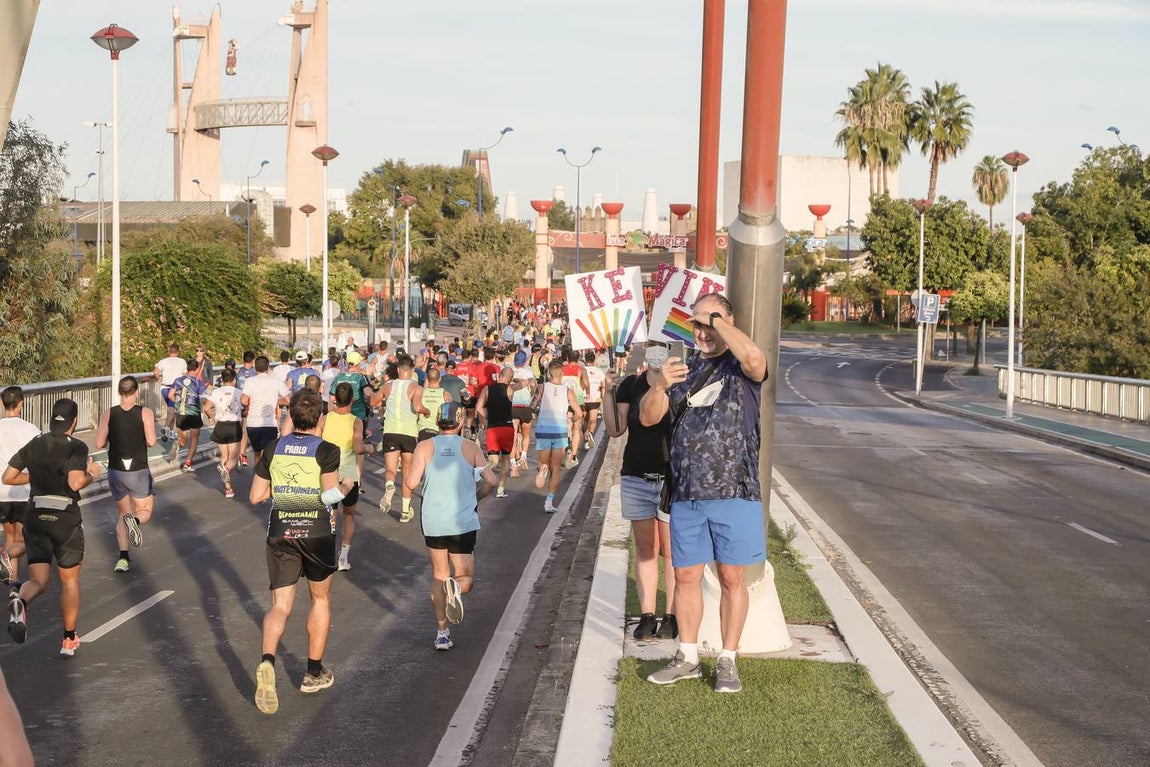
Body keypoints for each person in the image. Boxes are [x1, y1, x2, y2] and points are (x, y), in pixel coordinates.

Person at [641, 293, 768, 694]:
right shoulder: (682, 369)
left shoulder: (741, 368)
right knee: (685, 576)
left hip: (736, 489)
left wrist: (718, 322)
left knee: (732, 577)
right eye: (697, 323)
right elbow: (648, 417)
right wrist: (660, 385)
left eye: (712, 321)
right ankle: (688, 657)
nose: (704, 331)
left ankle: (728, 659)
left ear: (729, 322)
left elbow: (756, 358)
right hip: (687, 492)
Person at [250, 388, 351, 715]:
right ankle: (313, 673)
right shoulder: (326, 450)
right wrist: (346, 487)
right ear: (320, 417)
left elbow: (255, 496)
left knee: (280, 605)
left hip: (281, 531)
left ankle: (267, 661)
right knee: (320, 599)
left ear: (291, 416)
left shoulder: (273, 448)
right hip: (317, 532)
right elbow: (329, 496)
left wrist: (284, 492)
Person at [4, 399, 102, 655]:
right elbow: (76, 482)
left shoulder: (35, 443)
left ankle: (21, 600)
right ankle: (69, 639)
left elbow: (8, 477)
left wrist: (36, 476)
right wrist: (93, 472)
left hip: (35, 515)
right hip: (65, 519)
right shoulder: (77, 446)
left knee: (38, 580)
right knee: (69, 581)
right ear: (74, 422)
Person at [405, 401, 495, 651]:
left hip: (433, 520)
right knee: (465, 578)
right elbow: (490, 480)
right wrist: (476, 497)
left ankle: (442, 634)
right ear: (460, 422)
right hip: (462, 521)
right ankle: (456, 588)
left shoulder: (424, 446)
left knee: (439, 575)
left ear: (437, 422)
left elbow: (411, 483)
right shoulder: (470, 447)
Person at [602, 342, 677, 640]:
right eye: (651, 345)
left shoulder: (680, 384)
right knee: (646, 550)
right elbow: (615, 429)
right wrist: (607, 391)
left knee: (671, 552)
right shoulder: (631, 385)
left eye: (661, 346)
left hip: (671, 479)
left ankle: (671, 616)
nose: (656, 351)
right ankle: (647, 616)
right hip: (636, 476)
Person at [94, 376, 159, 573]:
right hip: (138, 470)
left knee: (123, 513)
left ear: (119, 392)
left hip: (116, 471)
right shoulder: (145, 412)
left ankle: (122, 559)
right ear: (136, 392)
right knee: (144, 510)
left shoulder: (109, 414)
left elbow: (99, 444)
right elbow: (151, 441)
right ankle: (136, 521)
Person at [322, 382, 374, 571]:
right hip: (349, 476)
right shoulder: (355, 421)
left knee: (330, 513)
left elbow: (317, 441)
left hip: (329, 473)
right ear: (353, 399)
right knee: (349, 514)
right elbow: (358, 448)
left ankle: (327, 554)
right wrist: (369, 449)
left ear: (335, 399)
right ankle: (343, 558)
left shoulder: (325, 419)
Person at [372, 354, 427, 522]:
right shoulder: (416, 387)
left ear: (397, 369)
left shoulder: (388, 386)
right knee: (407, 472)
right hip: (408, 432)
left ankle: (389, 486)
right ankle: (404, 511)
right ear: (412, 369)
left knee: (390, 469)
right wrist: (426, 411)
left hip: (390, 431)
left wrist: (385, 402)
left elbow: (373, 402)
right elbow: (417, 406)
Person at [0, 387, 39, 587]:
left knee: (10, 536)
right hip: (23, 492)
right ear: (21, 404)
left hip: (1, 493)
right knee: (25, 540)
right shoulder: (31, 430)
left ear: (1, 403)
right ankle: (5, 557)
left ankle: (13, 582)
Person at [531, 360, 581, 513]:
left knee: (544, 462)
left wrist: (538, 408)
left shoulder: (542, 387)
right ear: (562, 374)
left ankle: (543, 467)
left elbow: (532, 406)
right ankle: (549, 502)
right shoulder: (567, 391)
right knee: (556, 468)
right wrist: (570, 419)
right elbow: (579, 413)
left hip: (543, 430)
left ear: (549, 374)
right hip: (559, 431)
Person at [242, 356, 290, 469]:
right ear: (268, 368)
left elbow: (243, 401)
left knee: (256, 453)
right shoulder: (276, 381)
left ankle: (256, 475)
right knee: (267, 454)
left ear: (255, 368)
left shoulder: (250, 381)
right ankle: (264, 477)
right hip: (270, 424)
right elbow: (288, 400)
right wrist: (277, 401)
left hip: (253, 424)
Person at [476, 367, 515, 498]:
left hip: (493, 427)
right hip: (507, 427)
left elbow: (478, 407)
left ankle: (478, 473)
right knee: (506, 459)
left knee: (493, 460)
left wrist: (487, 416)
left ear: (499, 376)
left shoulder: (487, 389)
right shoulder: (510, 389)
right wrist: (514, 380)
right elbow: (525, 383)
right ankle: (501, 489)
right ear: (509, 379)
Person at [205, 368, 244, 499]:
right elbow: (245, 407)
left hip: (220, 426)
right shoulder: (239, 392)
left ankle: (228, 488)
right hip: (233, 426)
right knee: (233, 459)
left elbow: (206, 407)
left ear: (222, 380)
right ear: (234, 380)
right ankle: (226, 469)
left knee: (224, 457)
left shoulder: (216, 392)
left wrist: (211, 417)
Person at [169, 358, 208, 472]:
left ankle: (178, 443)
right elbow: (203, 399)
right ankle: (187, 463)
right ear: (197, 369)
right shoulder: (199, 383)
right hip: (194, 413)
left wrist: (177, 403)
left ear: (187, 368)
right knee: (194, 439)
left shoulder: (178, 380)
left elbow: (170, 395)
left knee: (183, 439)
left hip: (181, 412)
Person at [509, 351, 537, 476]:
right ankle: (523, 457)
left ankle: (513, 464)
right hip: (525, 406)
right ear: (525, 361)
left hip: (512, 406)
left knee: (512, 436)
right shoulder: (528, 372)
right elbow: (534, 387)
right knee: (526, 434)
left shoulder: (509, 371)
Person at [154, 343, 187, 442]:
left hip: (164, 388)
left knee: (171, 409)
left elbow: (155, 371)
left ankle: (170, 433)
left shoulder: (163, 361)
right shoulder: (182, 361)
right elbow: (184, 376)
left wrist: (158, 378)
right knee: (173, 409)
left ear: (169, 351)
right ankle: (166, 427)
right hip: (176, 388)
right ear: (178, 351)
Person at [416, 367, 451, 443]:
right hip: (438, 431)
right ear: (440, 379)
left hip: (422, 431)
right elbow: (447, 416)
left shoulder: (420, 393)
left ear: (427, 379)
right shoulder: (445, 395)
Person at [582, 349, 607, 449]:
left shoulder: (582, 370)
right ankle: (591, 434)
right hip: (595, 398)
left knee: (585, 420)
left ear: (585, 360)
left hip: (583, 398)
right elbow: (603, 385)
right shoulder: (599, 371)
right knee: (593, 419)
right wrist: (603, 398)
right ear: (594, 360)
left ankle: (586, 436)